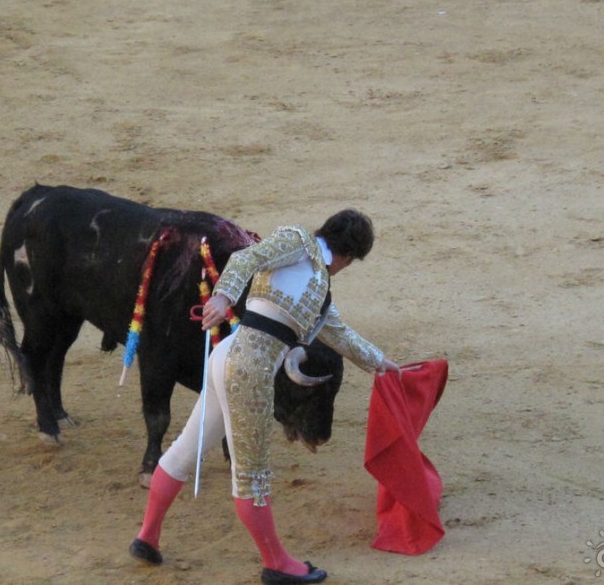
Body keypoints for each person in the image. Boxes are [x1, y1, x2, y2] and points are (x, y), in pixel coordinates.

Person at [128, 209, 400, 584]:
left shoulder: (319, 287)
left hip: (229, 356)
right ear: (349, 256)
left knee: (185, 449)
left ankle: (147, 536)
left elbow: (339, 334)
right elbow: (245, 257)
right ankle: (277, 562)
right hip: (249, 371)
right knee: (251, 475)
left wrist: (382, 363)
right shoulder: (298, 241)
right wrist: (223, 297)